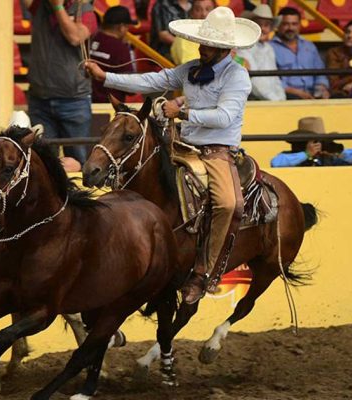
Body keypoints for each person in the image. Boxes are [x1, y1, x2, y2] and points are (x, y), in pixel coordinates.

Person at [86, 6, 260, 304]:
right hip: (180, 144)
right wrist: (106, 77)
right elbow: (153, 81)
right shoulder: (191, 68)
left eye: (209, 45)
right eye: (203, 42)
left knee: (229, 204)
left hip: (216, 151)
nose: (202, 48)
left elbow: (225, 116)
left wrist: (182, 111)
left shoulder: (237, 77)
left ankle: (203, 273)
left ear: (225, 48)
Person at [27, 0, 98, 167]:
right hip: (40, 98)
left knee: (78, 162)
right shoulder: (39, 5)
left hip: (74, 100)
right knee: (43, 163)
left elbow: (75, 37)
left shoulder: (86, 11)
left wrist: (58, 7)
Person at [270, 7, 330, 100]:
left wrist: (321, 89)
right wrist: (298, 93)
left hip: (312, 94)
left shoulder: (309, 46)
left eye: (294, 24)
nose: (290, 28)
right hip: (286, 96)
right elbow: (271, 80)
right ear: (278, 25)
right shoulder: (270, 47)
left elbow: (320, 72)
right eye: (286, 24)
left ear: (299, 25)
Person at [236, 4, 286, 101]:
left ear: (271, 28)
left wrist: (282, 98)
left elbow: (275, 78)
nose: (263, 28)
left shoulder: (269, 48)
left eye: (266, 25)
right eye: (259, 24)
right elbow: (253, 81)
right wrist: (275, 100)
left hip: (273, 100)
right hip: (254, 99)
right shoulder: (243, 48)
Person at [270, 116, 352, 167]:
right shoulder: (291, 156)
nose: (319, 145)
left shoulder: (329, 157)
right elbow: (276, 163)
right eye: (315, 141)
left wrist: (339, 152)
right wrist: (306, 154)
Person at [89, 6, 137, 103]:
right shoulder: (120, 48)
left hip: (86, 103)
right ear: (121, 27)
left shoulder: (89, 39)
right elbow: (131, 88)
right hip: (110, 107)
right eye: (127, 27)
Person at [171, 0, 215, 65]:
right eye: (198, 10)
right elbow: (191, 67)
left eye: (208, 9)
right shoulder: (185, 35)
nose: (204, 14)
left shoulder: (218, 34)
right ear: (191, 13)